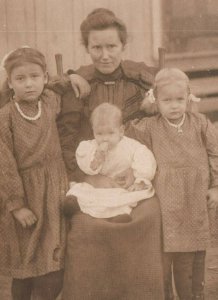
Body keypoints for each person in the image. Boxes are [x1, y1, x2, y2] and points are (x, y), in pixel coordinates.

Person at [127, 67, 218, 300]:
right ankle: (167, 294)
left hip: (197, 196)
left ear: (188, 98)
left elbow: (216, 153)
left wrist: (216, 186)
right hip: (167, 200)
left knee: (197, 250)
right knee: (169, 252)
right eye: (167, 100)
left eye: (180, 99)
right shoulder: (150, 126)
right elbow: (125, 135)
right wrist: (144, 108)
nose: (174, 106)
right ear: (156, 101)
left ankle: (196, 294)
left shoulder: (200, 123)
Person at [54, 7, 156, 182]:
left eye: (111, 46)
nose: (105, 56)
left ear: (123, 45)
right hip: (92, 176)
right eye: (96, 48)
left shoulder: (141, 78)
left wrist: (155, 101)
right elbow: (66, 141)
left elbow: (178, 92)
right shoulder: (78, 85)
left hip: (138, 173)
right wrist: (87, 178)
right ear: (86, 47)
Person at [0, 47, 70, 300]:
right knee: (25, 263)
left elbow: (64, 82)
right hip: (25, 196)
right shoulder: (5, 118)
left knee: (52, 261)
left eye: (34, 76)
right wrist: (17, 206)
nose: (29, 84)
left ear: (45, 78)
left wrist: (75, 77)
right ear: (10, 83)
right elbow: (4, 165)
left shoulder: (50, 101)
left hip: (54, 190)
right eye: (20, 79)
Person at [64, 103, 156, 222]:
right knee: (82, 188)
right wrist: (96, 160)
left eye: (110, 133)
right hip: (98, 185)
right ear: (93, 132)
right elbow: (85, 166)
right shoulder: (90, 147)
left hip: (120, 186)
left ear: (121, 131)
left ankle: (119, 215)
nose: (105, 138)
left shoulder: (131, 146)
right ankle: (74, 202)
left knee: (124, 197)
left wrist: (140, 180)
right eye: (99, 134)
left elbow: (145, 160)